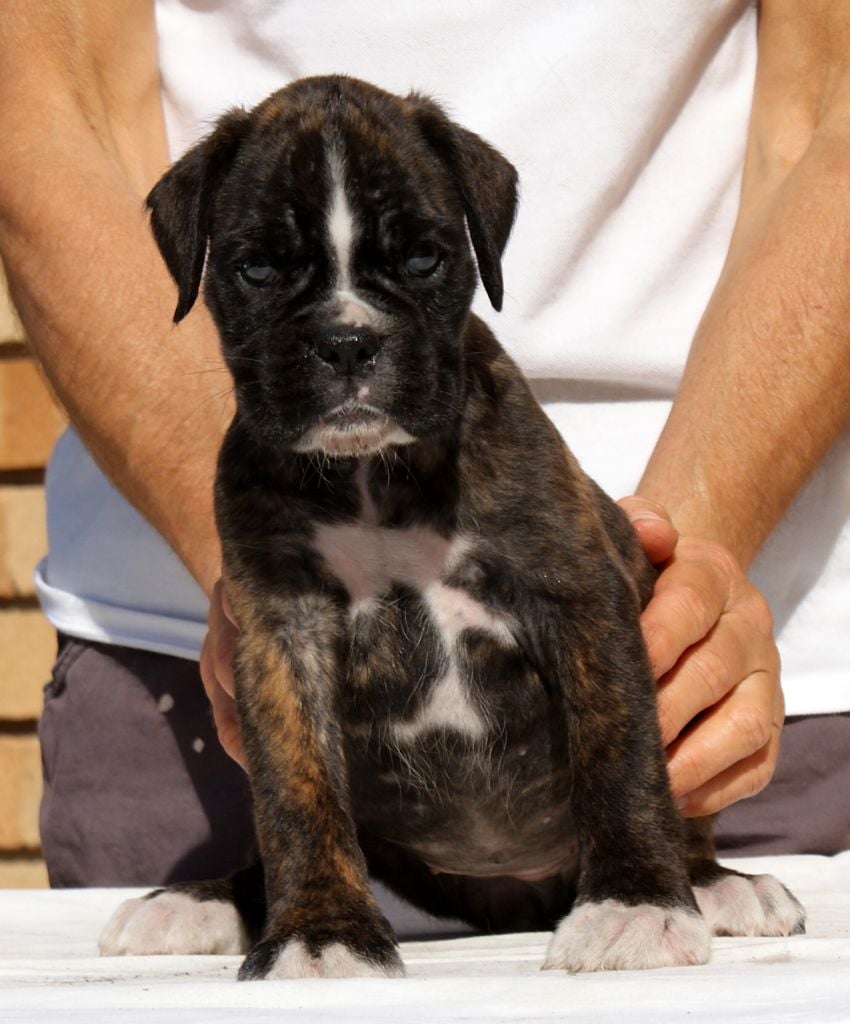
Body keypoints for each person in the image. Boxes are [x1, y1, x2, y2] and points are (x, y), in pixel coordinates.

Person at [0, 0, 848, 890]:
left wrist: (672, 600)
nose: (348, 334)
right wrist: (269, 591)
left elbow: (832, 119)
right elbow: (41, 117)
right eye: (262, 268)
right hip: (186, 691)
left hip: (737, 703)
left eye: (416, 264)